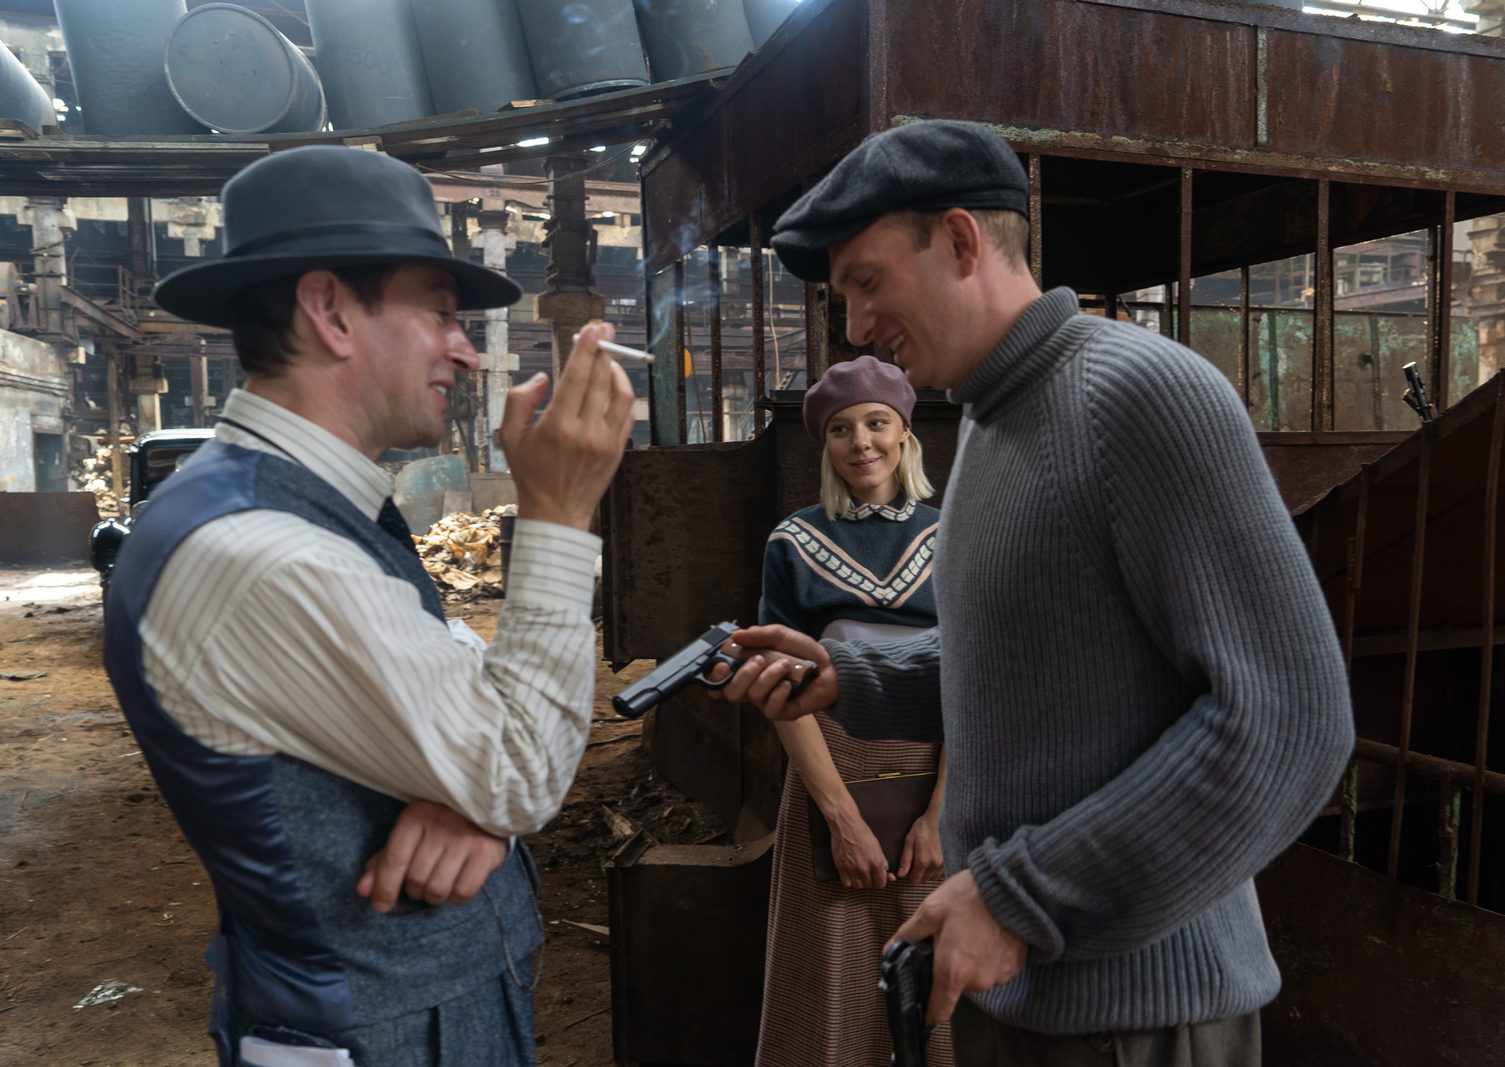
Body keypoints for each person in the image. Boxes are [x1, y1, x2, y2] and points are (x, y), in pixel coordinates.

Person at [714, 120, 1355, 1066]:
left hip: (1137, 1018)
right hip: (1021, 992)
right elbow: (1033, 653)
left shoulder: (1140, 394)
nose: (855, 325)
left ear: (960, 240)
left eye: (867, 281)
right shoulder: (991, 417)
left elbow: (1292, 719)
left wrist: (1022, 896)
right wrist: (853, 678)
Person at [101, 145, 635, 1065]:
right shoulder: (260, 554)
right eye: (440, 311)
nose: (466, 348)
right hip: (375, 1036)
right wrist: (558, 513)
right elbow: (518, 763)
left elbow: (466, 700)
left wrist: (472, 803)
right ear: (331, 311)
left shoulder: (299, 506)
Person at [755, 356, 952, 1067]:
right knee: (832, 977)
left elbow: (974, 679)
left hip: (938, 780)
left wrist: (941, 814)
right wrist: (841, 819)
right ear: (825, 444)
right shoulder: (793, 542)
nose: (861, 441)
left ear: (904, 434)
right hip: (830, 776)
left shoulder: (953, 535)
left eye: (876, 423)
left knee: (939, 973)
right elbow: (780, 690)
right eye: (840, 429)